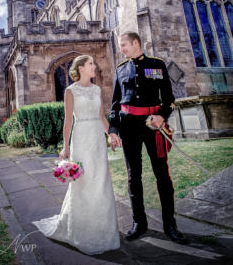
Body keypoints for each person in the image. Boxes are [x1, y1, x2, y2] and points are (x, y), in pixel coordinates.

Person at [32, 55, 121, 255]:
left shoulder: (97, 89)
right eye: (90, 64)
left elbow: (101, 116)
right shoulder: (70, 91)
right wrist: (65, 147)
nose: (94, 67)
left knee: (101, 181)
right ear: (80, 68)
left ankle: (103, 230)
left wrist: (112, 135)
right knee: (84, 182)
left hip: (97, 140)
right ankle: (81, 229)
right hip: (80, 138)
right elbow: (68, 122)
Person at [108, 31, 187, 244]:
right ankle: (139, 223)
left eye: (124, 45)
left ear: (135, 43)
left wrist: (162, 116)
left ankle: (170, 225)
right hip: (128, 127)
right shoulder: (120, 70)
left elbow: (169, 98)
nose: (121, 49)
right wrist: (113, 130)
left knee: (162, 174)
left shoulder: (157, 65)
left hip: (154, 126)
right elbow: (115, 104)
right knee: (134, 176)